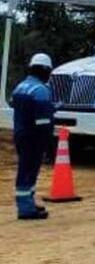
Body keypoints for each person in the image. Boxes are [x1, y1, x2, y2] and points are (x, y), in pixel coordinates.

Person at [12, 53, 55, 220]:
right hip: (33, 138)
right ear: (45, 70)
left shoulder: (20, 87)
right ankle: (26, 209)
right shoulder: (41, 91)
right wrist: (48, 141)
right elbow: (43, 121)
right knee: (29, 170)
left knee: (25, 168)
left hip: (20, 135)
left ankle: (27, 203)